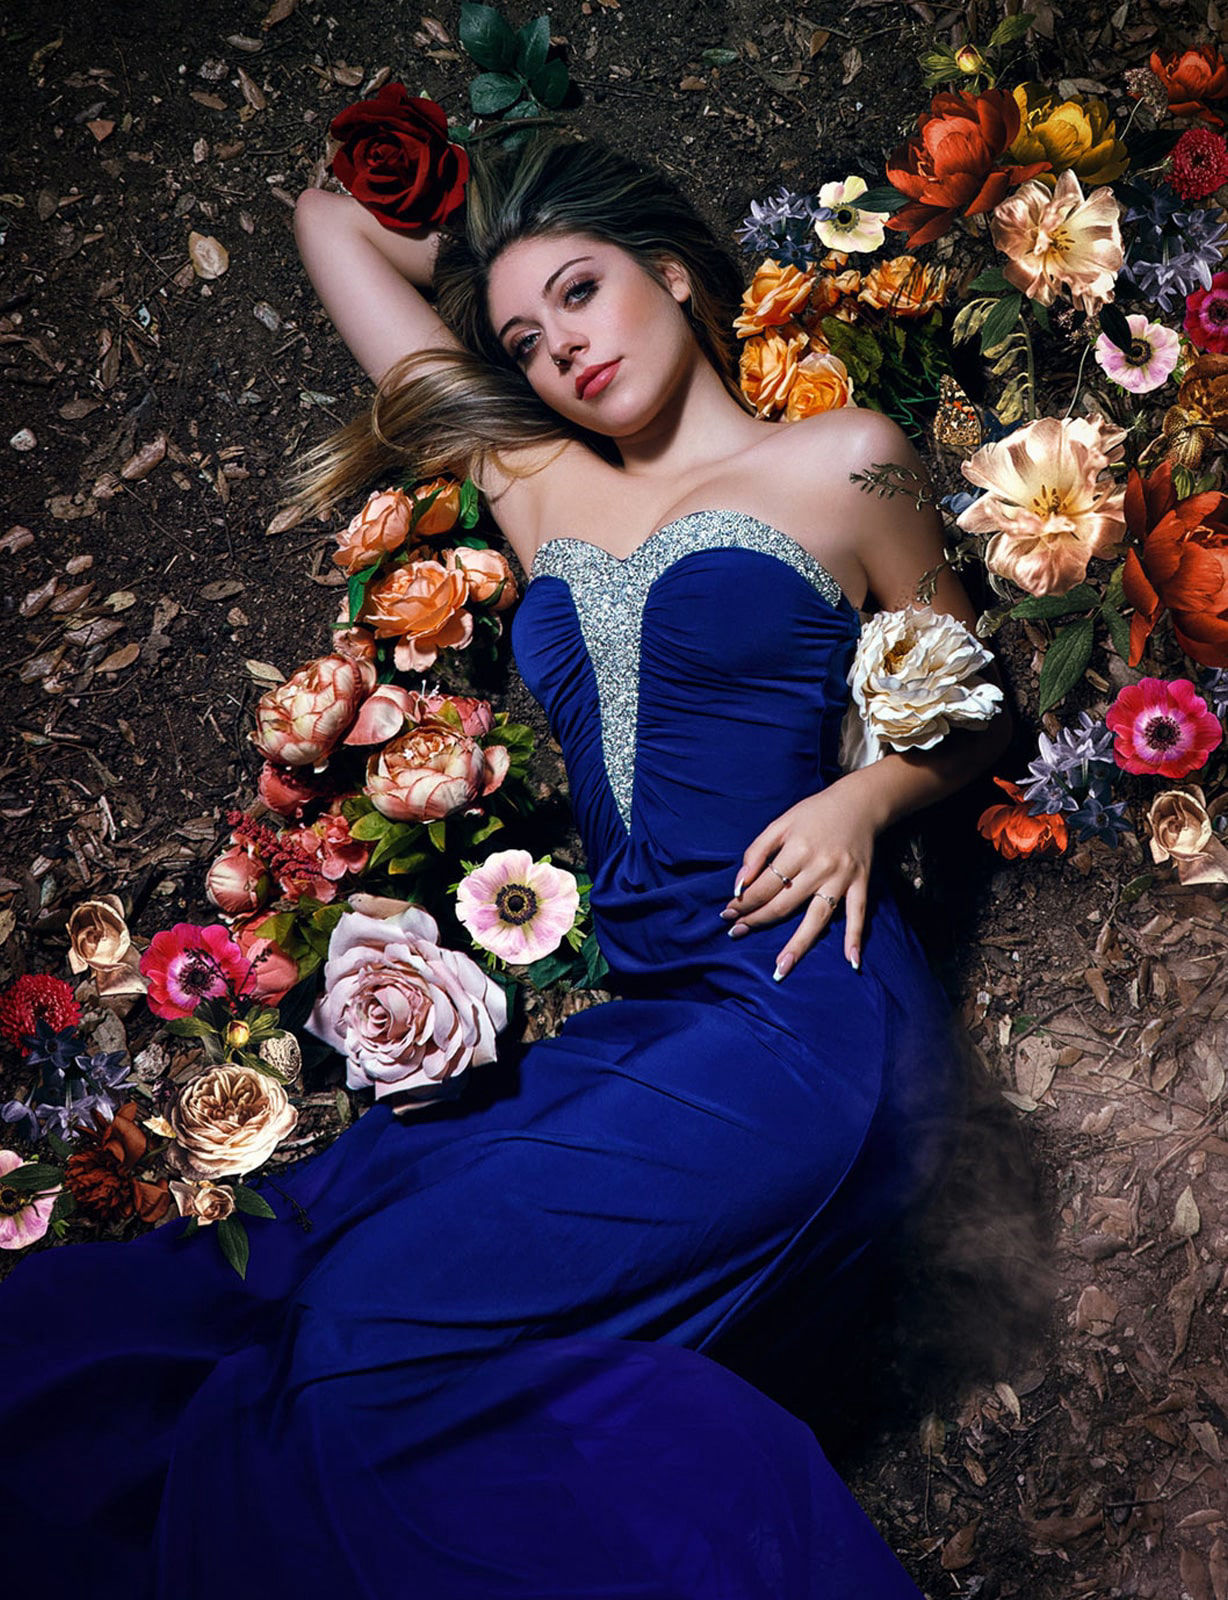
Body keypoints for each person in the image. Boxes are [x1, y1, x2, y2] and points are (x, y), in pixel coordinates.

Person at [0, 131, 1013, 1597]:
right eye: (527, 341)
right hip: (656, 1019)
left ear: (673, 275)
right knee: (304, 1279)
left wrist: (866, 805)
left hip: (809, 1012)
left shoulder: (839, 461)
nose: (564, 351)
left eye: (587, 295)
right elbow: (335, 230)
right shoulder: (538, 486)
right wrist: (456, 224)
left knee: (363, 1347)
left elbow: (973, 691)